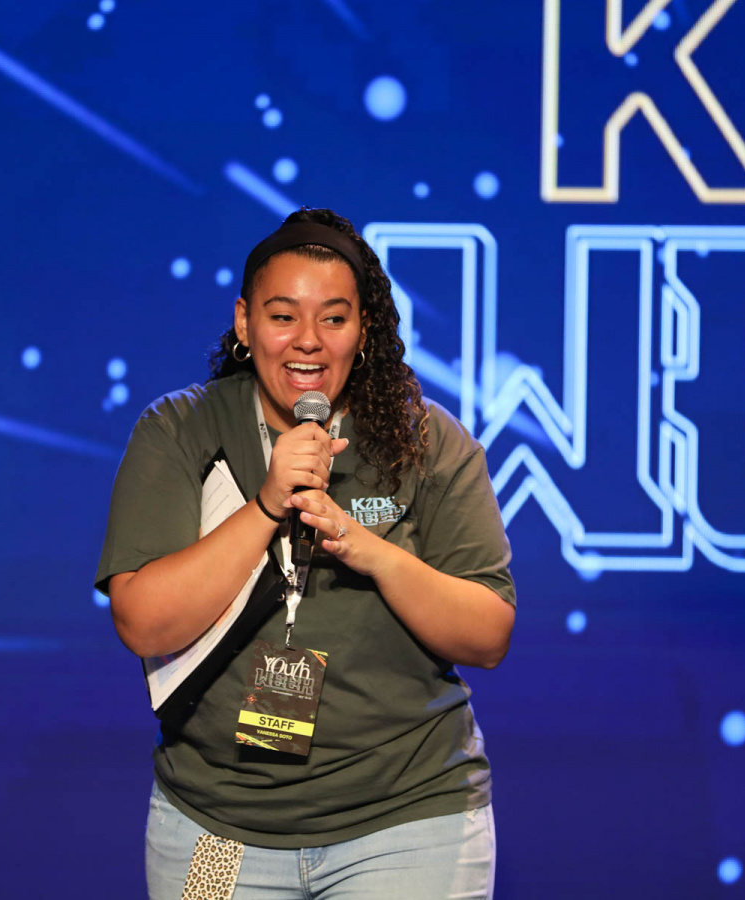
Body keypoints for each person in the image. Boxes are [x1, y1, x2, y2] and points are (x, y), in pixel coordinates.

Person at [95, 207, 517, 899]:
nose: (308, 342)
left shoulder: (427, 441)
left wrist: (369, 551)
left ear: (364, 329)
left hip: (408, 823)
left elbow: (488, 634)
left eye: (334, 318)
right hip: (216, 824)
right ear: (244, 322)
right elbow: (143, 623)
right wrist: (266, 504)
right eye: (283, 315)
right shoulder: (179, 429)